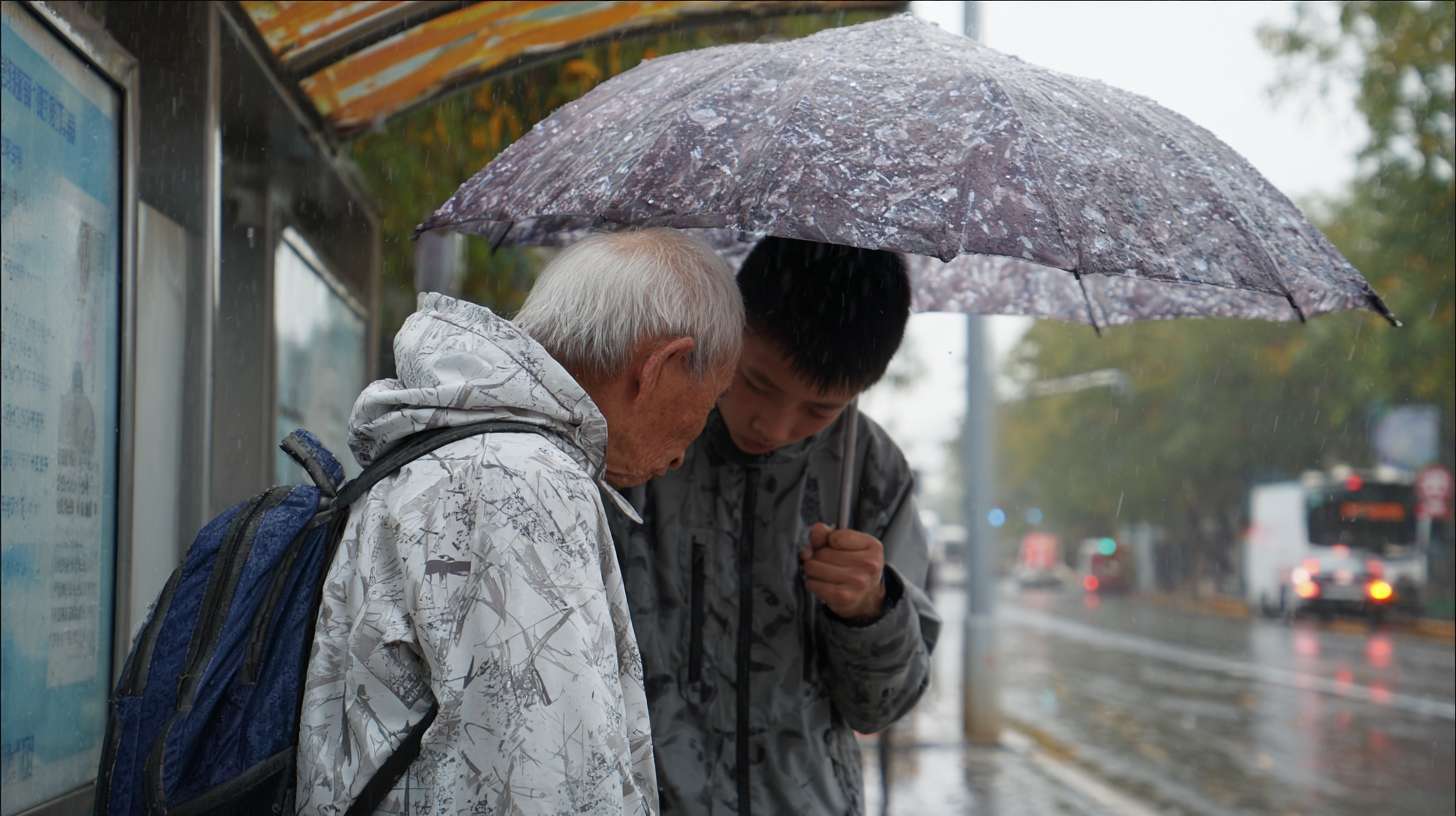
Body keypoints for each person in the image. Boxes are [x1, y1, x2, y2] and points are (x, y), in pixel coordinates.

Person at [295, 229, 744, 815]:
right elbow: (544, 786)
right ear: (662, 365)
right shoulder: (520, 482)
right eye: (710, 402)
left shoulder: (459, 450)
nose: (688, 449)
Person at [607, 236, 941, 814]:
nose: (776, 425)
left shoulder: (872, 472)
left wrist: (871, 610)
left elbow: (882, 708)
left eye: (820, 410)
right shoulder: (641, 428)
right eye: (757, 383)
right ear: (731, 328)